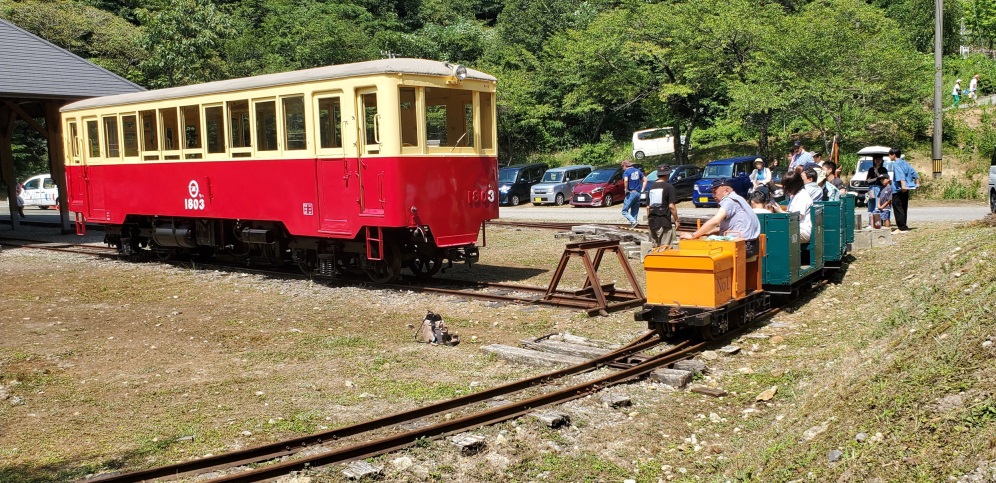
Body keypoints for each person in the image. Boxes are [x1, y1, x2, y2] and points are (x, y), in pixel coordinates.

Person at [680, 178, 762, 257]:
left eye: (715, 192)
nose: (713, 195)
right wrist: (706, 232)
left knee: (701, 255)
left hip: (741, 246)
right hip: (751, 245)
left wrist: (693, 235)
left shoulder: (729, 200)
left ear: (726, 190)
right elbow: (732, 227)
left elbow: (715, 221)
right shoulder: (739, 198)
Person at [645, 166, 679, 247]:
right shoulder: (669, 187)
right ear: (667, 174)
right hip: (663, 222)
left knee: (655, 248)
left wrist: (649, 220)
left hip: (652, 222)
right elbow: (671, 206)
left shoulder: (651, 187)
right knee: (665, 248)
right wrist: (676, 220)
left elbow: (648, 207)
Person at [889, 147, 917, 233]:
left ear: (894, 155)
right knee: (904, 207)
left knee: (898, 208)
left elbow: (900, 175)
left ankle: (901, 228)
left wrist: (903, 186)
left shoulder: (896, 164)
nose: (889, 156)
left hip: (898, 189)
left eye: (889, 154)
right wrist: (917, 183)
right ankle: (904, 225)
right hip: (906, 188)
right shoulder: (905, 163)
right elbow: (914, 172)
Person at [782, 171, 814, 243]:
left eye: (786, 186)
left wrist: (780, 211)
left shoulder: (802, 196)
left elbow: (797, 217)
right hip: (795, 228)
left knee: (776, 234)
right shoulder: (796, 195)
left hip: (802, 230)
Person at [621, 160, 645, 228]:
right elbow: (645, 180)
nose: (622, 168)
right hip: (638, 193)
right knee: (634, 210)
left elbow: (626, 180)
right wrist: (642, 189)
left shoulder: (626, 172)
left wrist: (626, 189)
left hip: (631, 192)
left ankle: (633, 222)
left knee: (624, 211)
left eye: (622, 166)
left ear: (625, 166)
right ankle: (634, 224)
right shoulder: (637, 171)